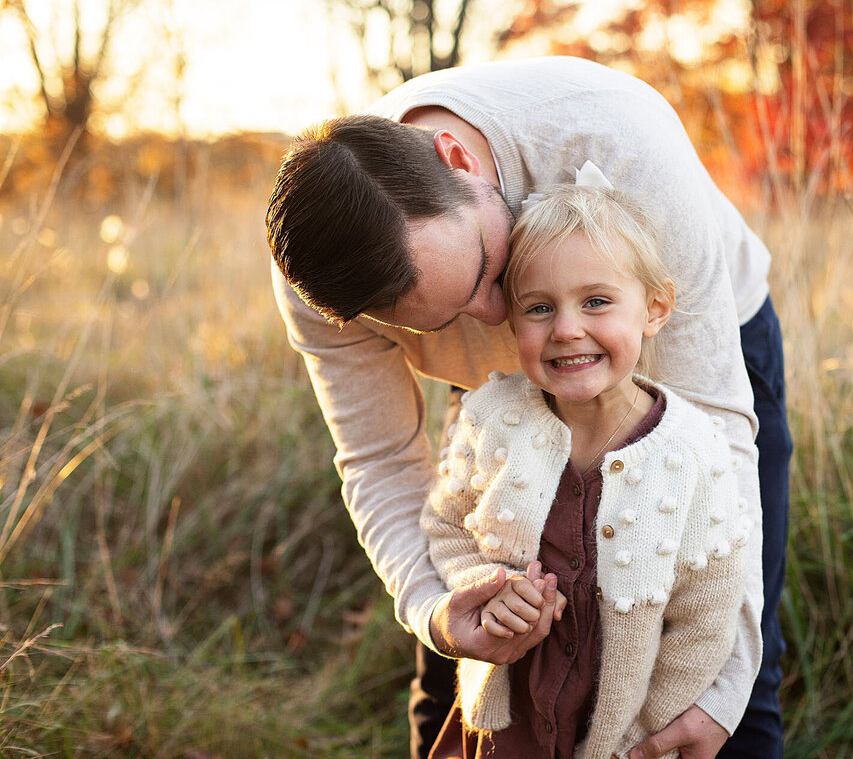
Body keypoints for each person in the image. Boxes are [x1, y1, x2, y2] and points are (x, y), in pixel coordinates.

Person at [266, 56, 791, 759]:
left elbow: (717, 430)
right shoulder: (321, 272)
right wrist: (437, 614)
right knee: (466, 665)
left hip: (693, 352)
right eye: (443, 320)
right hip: (502, 408)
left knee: (720, 659)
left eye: (488, 268)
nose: (494, 318)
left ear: (458, 161)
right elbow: (382, 460)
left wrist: (725, 688)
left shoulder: (615, 132)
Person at [421, 170, 753, 758]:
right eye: (540, 308)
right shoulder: (490, 419)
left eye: (596, 301)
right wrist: (486, 589)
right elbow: (447, 530)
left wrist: (644, 735)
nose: (568, 330)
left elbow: (705, 619)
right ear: (512, 320)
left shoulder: (694, 453)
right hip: (508, 724)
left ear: (655, 309)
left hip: (618, 731)